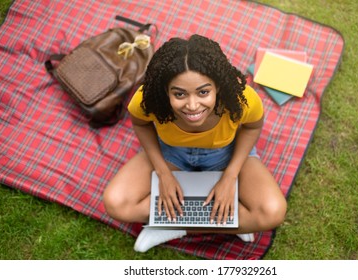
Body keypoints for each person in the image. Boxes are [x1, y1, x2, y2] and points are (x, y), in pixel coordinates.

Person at [103, 34, 287, 252]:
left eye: (203, 92)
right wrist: (163, 173)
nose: (192, 106)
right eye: (179, 94)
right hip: (171, 153)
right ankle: (228, 220)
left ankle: (172, 223)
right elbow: (141, 124)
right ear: (165, 91)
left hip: (226, 153)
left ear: (217, 87)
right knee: (116, 203)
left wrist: (230, 175)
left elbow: (252, 127)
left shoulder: (241, 98)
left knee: (272, 211)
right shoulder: (148, 98)